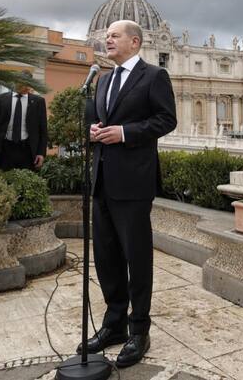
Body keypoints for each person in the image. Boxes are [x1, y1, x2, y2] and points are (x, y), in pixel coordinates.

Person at [79, 20, 177, 368]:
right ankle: (114, 323)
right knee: (106, 257)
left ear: (134, 42)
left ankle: (139, 330)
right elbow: (101, 118)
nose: (108, 39)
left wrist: (124, 132)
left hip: (134, 183)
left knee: (137, 258)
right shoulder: (103, 79)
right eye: (106, 35)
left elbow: (166, 120)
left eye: (115, 35)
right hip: (102, 179)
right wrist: (94, 128)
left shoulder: (153, 77)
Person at [0, 72, 47, 170]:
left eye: (27, 83)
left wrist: (41, 153)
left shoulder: (38, 102)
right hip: (3, 150)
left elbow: (43, 130)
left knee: (25, 183)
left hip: (28, 151)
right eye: (21, 83)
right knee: (2, 182)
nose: (25, 86)